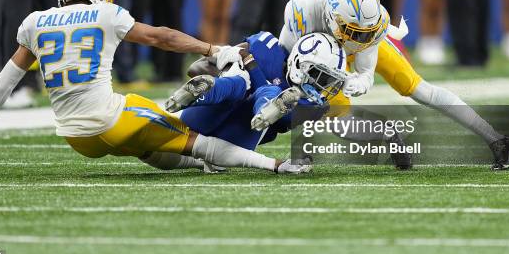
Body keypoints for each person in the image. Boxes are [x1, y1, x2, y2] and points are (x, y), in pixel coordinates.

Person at [0, 0, 309, 176]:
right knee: (203, 144)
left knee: (156, 150)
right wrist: (212, 47)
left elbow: (7, 79)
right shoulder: (105, 12)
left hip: (75, 138)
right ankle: (273, 162)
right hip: (114, 118)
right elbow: (161, 38)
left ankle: (199, 160)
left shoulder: (36, 21)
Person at [272, 0, 509, 170]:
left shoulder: (370, 29)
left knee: (420, 90)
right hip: (323, 57)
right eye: (356, 31)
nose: (363, 38)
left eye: (368, 32)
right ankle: (382, 135)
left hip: (341, 51)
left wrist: (362, 81)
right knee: (336, 116)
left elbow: (366, 69)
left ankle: (495, 137)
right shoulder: (302, 14)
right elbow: (293, 73)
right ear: (332, 17)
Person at [166, 31, 412, 170]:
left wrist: (384, 134)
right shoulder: (268, 48)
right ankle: (215, 89)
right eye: (320, 76)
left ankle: (241, 96)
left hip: (235, 133)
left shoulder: (313, 101)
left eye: (328, 80)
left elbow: (340, 124)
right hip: (209, 119)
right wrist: (224, 59)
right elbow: (197, 67)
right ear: (300, 62)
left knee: (257, 89)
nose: (322, 85)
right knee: (241, 82)